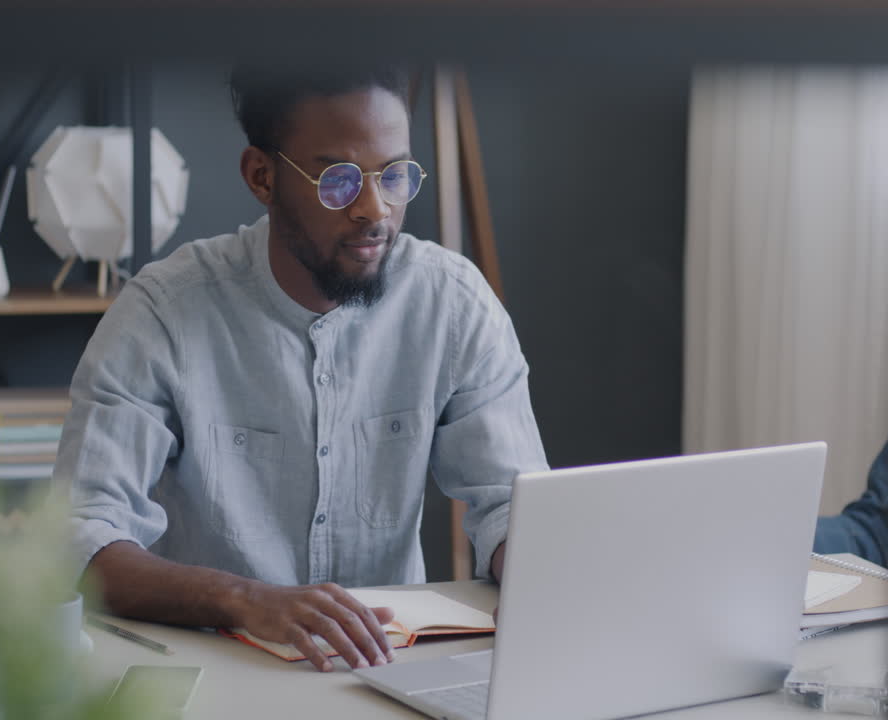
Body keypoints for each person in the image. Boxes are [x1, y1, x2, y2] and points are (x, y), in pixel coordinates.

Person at [59, 66, 548, 673]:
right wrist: (243, 599)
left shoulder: (452, 303)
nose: (376, 210)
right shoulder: (163, 313)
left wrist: (545, 565)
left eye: (394, 175)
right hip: (213, 675)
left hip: (388, 675)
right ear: (262, 177)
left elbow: (512, 507)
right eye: (339, 180)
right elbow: (80, 540)